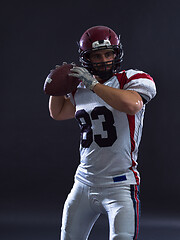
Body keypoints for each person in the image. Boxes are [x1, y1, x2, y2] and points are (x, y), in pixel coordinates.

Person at [48, 26, 156, 240]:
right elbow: (58, 112)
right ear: (87, 59)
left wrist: (94, 84)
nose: (104, 60)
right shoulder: (80, 86)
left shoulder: (131, 78)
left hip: (120, 184)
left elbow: (132, 105)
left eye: (108, 54)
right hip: (84, 181)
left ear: (117, 54)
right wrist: (59, 86)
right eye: (97, 56)